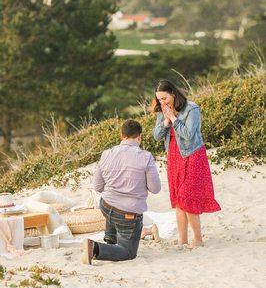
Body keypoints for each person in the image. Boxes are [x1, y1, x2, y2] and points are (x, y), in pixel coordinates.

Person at [153, 80, 221, 249]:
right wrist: (165, 121)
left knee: (187, 196)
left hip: (192, 155)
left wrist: (173, 118)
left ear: (173, 94)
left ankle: (198, 239)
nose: (162, 102)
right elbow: (156, 135)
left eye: (164, 98)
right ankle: (182, 240)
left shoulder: (192, 109)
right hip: (174, 156)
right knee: (178, 200)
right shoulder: (162, 111)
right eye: (159, 99)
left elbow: (189, 135)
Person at [82, 119, 161, 264]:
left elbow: (98, 186)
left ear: (121, 135)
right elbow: (155, 189)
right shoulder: (145, 157)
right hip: (127, 216)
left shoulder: (106, 153)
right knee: (128, 253)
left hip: (106, 207)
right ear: (139, 137)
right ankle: (94, 248)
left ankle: (110, 238)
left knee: (112, 201)